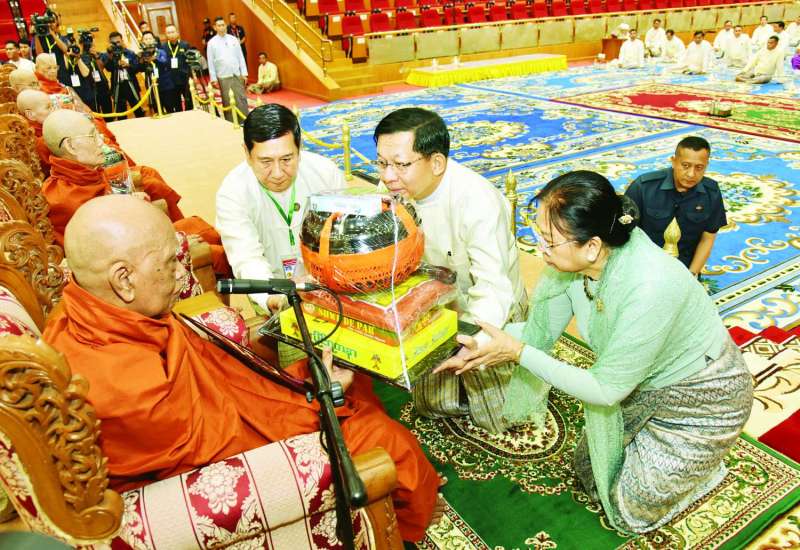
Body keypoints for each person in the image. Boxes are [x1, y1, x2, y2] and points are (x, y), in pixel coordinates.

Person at [43, 194, 444, 542]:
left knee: (342, 380)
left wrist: (303, 382)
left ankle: (402, 489)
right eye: (169, 262)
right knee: (384, 440)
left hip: (229, 405)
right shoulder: (122, 387)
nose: (182, 273)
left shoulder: (95, 312)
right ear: (124, 280)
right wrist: (318, 406)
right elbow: (222, 451)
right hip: (237, 459)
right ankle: (404, 524)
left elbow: (213, 374)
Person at [436, 169, 752, 534]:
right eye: (538, 235)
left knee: (629, 508)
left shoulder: (650, 286)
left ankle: (707, 468)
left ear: (591, 246)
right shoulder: (572, 267)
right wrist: (480, 342)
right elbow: (539, 334)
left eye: (549, 241)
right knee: (589, 469)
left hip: (703, 400)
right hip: (641, 384)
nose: (540, 250)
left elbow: (604, 390)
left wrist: (518, 353)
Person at [373, 108, 527, 433]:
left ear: (437, 163)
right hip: (438, 304)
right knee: (433, 405)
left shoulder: (478, 201)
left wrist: (469, 343)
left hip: (489, 311)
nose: (387, 176)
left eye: (401, 165)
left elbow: (494, 289)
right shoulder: (394, 190)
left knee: (502, 418)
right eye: (382, 163)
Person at [39, 109, 229, 277]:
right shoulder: (64, 198)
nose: (101, 141)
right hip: (129, 267)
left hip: (136, 242)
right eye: (92, 136)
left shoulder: (81, 173)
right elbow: (112, 253)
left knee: (202, 228)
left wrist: (128, 201)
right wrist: (178, 244)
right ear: (71, 146)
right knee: (215, 253)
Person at [216, 104, 346, 312]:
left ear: (299, 148)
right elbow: (247, 257)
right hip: (269, 290)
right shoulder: (233, 192)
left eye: (287, 159)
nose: (277, 173)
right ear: (247, 153)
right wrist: (272, 297)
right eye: (265, 161)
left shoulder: (325, 174)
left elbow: (343, 238)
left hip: (326, 284)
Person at [624, 136, 726, 276]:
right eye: (685, 165)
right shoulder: (644, 187)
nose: (691, 174)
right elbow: (623, 232)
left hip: (684, 266)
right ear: (673, 161)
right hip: (643, 263)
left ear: (706, 165)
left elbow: (708, 238)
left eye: (699, 167)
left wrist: (691, 275)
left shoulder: (711, 192)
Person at [207, 16, 249, 123]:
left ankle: (245, 121)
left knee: (241, 99)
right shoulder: (211, 43)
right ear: (215, 27)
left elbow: (240, 57)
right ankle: (231, 122)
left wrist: (244, 73)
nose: (222, 27)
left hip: (236, 74)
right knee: (228, 100)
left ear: (226, 25)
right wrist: (213, 79)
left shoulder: (233, 39)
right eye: (219, 26)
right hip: (223, 76)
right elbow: (211, 62)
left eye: (223, 25)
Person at [100, 32, 144, 121]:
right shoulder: (108, 55)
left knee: (138, 111)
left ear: (122, 41)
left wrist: (128, 65)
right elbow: (108, 68)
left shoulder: (130, 53)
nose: (116, 45)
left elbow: (137, 68)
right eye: (113, 43)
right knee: (120, 115)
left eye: (118, 42)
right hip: (117, 87)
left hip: (131, 85)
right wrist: (110, 56)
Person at [158, 24, 194, 112]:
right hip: (171, 81)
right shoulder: (163, 47)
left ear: (177, 33)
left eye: (173, 32)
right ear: (166, 35)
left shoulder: (185, 45)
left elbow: (190, 62)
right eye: (168, 33)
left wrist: (192, 76)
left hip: (184, 79)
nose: (171, 34)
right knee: (176, 105)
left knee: (189, 102)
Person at [34, 17, 69, 85]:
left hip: (61, 69)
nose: (49, 24)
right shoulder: (39, 38)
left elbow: (65, 49)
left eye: (51, 22)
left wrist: (52, 33)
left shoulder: (60, 37)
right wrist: (36, 34)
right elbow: (40, 55)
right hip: (47, 73)